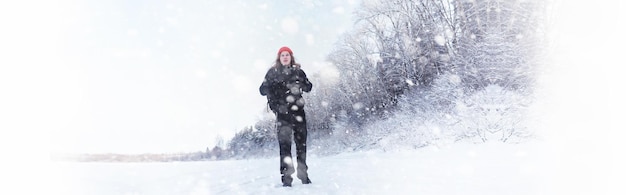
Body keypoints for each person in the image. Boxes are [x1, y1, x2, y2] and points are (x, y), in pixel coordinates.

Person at [259, 46, 313, 187]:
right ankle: (287, 178)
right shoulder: (272, 73)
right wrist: (269, 88)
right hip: (282, 115)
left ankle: (303, 174)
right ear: (279, 57)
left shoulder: (298, 72)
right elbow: (262, 90)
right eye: (282, 55)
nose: (285, 57)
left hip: (298, 114)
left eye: (287, 55)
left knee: (302, 145)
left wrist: (301, 83)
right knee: (285, 147)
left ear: (291, 57)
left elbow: (309, 87)